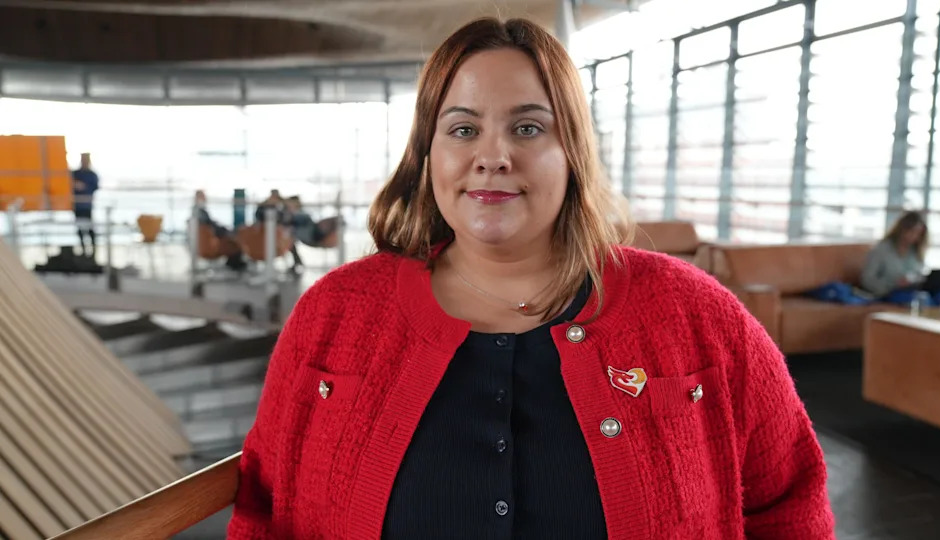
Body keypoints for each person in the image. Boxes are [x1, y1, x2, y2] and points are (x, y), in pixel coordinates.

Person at [228, 18, 833, 539]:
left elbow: (791, 504)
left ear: (572, 152)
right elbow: (262, 508)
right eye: (463, 129)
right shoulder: (336, 314)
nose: (493, 156)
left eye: (528, 128)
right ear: (427, 155)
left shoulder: (695, 312)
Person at [861, 211, 928, 298]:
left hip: (912, 290)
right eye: (912, 232)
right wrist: (894, 285)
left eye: (919, 234)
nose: (915, 237)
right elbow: (867, 280)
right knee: (921, 299)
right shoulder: (882, 249)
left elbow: (918, 273)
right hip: (887, 293)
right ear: (902, 230)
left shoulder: (915, 252)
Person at [72, 153, 99, 258]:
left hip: (87, 206)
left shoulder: (92, 174)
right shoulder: (75, 174)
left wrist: (84, 187)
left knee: (90, 229)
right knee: (79, 230)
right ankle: (83, 251)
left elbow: (95, 187)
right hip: (77, 206)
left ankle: (93, 253)